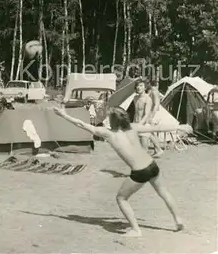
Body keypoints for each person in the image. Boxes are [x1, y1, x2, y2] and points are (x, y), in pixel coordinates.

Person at [52, 105, 189, 237]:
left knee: (121, 198)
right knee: (164, 192)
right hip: (152, 165)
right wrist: (179, 126)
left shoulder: (108, 134)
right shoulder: (134, 127)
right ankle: (178, 220)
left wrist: (63, 115)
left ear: (112, 120)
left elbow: (82, 124)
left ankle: (136, 230)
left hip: (140, 172)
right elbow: (157, 127)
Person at [132, 79, 154, 152]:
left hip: (144, 126)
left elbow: (146, 114)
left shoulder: (148, 99)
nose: (138, 87)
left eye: (141, 86)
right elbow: (135, 112)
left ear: (145, 88)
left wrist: (140, 125)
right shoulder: (135, 98)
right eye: (137, 86)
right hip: (136, 124)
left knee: (144, 150)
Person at [146, 79, 165, 157]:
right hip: (152, 113)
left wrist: (151, 116)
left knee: (150, 132)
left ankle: (159, 149)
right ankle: (156, 150)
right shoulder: (154, 91)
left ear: (150, 84)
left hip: (153, 114)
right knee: (152, 132)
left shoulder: (154, 92)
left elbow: (156, 104)